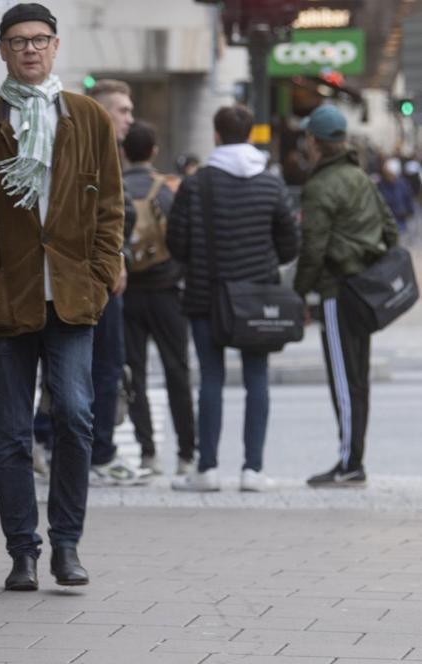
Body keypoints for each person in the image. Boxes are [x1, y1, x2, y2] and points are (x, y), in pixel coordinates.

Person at [0, 3, 124, 591]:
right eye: (18, 41)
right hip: (6, 305)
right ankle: (23, 551)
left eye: (40, 40)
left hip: (72, 299)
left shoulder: (89, 119)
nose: (30, 50)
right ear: (2, 50)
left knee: (75, 417)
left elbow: (111, 211)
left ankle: (67, 544)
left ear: (55, 45)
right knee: (13, 434)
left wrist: (98, 275)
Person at [166, 105, 298, 493]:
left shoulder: (197, 183)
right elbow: (290, 243)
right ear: (250, 134)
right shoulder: (271, 183)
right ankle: (252, 470)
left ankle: (206, 468)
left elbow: (176, 242)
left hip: (207, 295)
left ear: (217, 135)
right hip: (257, 298)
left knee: (210, 378)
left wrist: (202, 261)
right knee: (257, 378)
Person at [294, 104, 398, 488]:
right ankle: (353, 458)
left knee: (343, 379)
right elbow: (391, 231)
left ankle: (350, 463)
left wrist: (299, 294)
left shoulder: (319, 186)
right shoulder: (361, 178)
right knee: (358, 379)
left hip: (337, 291)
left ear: (314, 142)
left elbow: (313, 249)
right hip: (365, 291)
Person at [84, 78, 152, 485]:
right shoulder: (96, 148)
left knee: (89, 368)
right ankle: (101, 453)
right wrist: (115, 258)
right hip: (97, 278)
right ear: (102, 110)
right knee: (106, 366)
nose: (130, 118)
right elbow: (112, 212)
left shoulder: (94, 146)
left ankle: (70, 445)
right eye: (122, 110)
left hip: (92, 273)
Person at [120, 121, 196, 476]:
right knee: (176, 371)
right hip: (166, 293)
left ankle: (147, 450)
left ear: (124, 151)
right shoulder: (166, 190)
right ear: (153, 151)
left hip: (128, 295)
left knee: (135, 373)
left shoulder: (115, 189)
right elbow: (183, 239)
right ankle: (185, 453)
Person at [376, 157, 415, 234]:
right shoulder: (380, 185)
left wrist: (410, 210)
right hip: (388, 218)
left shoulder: (402, 183)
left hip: (400, 215)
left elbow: (408, 197)